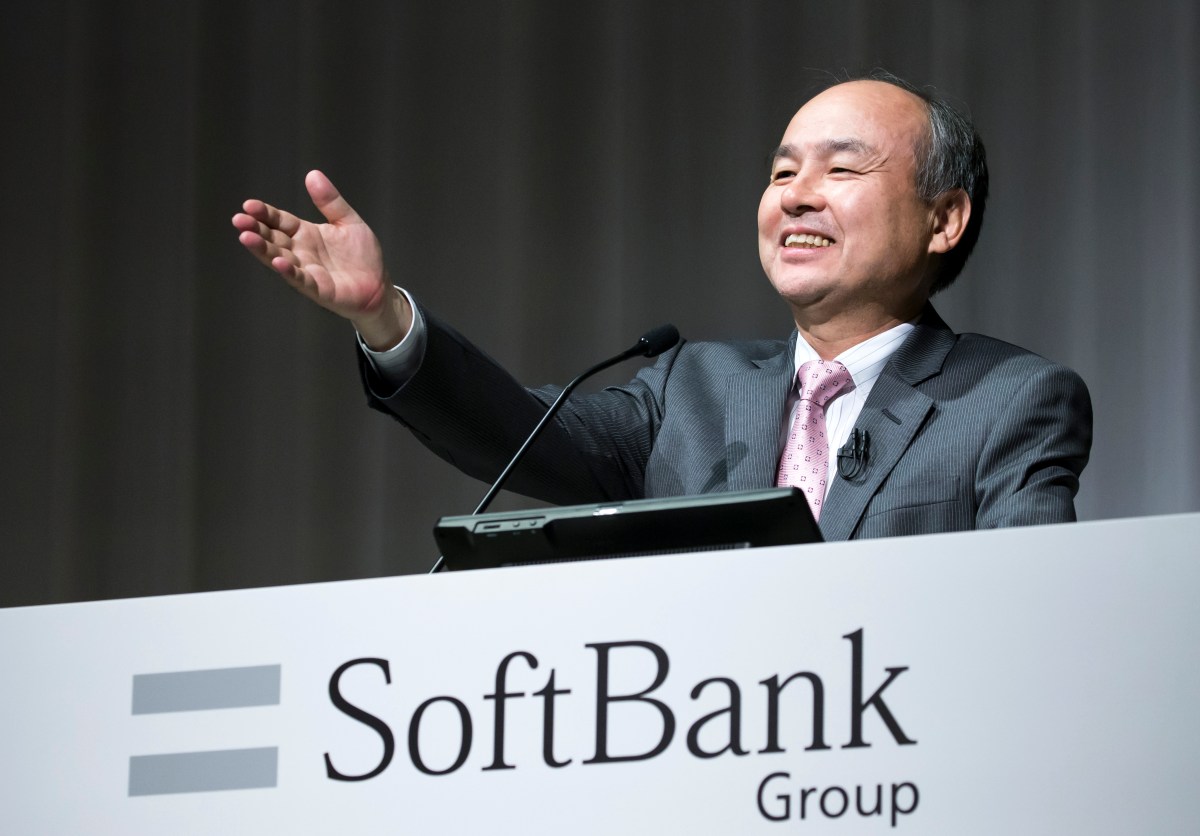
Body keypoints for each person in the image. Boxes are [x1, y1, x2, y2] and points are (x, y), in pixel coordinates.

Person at [232, 72, 1092, 541]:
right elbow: (520, 433)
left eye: (841, 169)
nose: (796, 195)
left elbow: (1032, 625)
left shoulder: (1010, 401)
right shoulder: (693, 389)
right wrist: (384, 317)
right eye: (782, 171)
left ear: (944, 220)